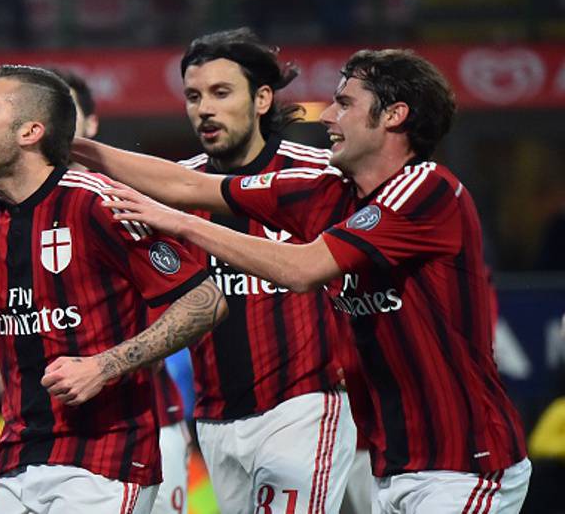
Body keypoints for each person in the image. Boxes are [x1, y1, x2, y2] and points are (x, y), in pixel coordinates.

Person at [72, 48, 531, 513]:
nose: (328, 115)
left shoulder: (426, 189)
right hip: (396, 466)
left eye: (345, 103)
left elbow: (302, 269)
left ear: (394, 115)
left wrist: (182, 223)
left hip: (468, 464)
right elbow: (190, 186)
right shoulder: (330, 193)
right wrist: (71, 147)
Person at [0, 64, 226, 513]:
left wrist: (103, 366)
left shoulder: (98, 203)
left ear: (30, 132)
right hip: (17, 460)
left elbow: (205, 301)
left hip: (104, 458)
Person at [93, 29, 362, 514]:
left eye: (221, 93)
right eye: (194, 97)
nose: (204, 109)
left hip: (303, 405)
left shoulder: (319, 176)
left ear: (262, 99)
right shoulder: (172, 190)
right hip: (215, 418)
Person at [52, 65, 193, 514]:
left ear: (91, 124)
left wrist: (106, 365)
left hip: (146, 422)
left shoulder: (128, 205)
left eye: (65, 111)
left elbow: (193, 302)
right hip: (50, 437)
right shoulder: (6, 217)